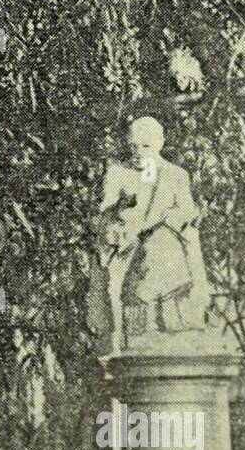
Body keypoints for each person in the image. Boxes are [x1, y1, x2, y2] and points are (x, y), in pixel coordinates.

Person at [88, 116, 211, 349]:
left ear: (160, 144)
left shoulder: (176, 174)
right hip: (125, 240)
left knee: (159, 246)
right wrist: (120, 212)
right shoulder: (117, 173)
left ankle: (161, 315)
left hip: (164, 241)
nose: (138, 152)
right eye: (133, 146)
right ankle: (135, 322)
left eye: (145, 146)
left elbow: (186, 211)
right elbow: (104, 212)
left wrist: (164, 219)